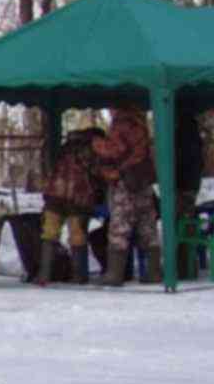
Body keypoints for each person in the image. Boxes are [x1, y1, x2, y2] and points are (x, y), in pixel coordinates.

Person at [93, 103, 161, 285]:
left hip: (125, 181)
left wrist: (98, 145)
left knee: (119, 227)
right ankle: (155, 272)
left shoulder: (121, 123)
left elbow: (115, 149)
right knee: (148, 227)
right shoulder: (141, 123)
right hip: (143, 181)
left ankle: (114, 274)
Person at [37, 126, 104, 286]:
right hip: (78, 197)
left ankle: (44, 275)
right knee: (78, 236)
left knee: (49, 234)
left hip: (55, 195)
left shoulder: (64, 147)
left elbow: (49, 167)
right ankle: (79, 276)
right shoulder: (90, 150)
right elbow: (97, 172)